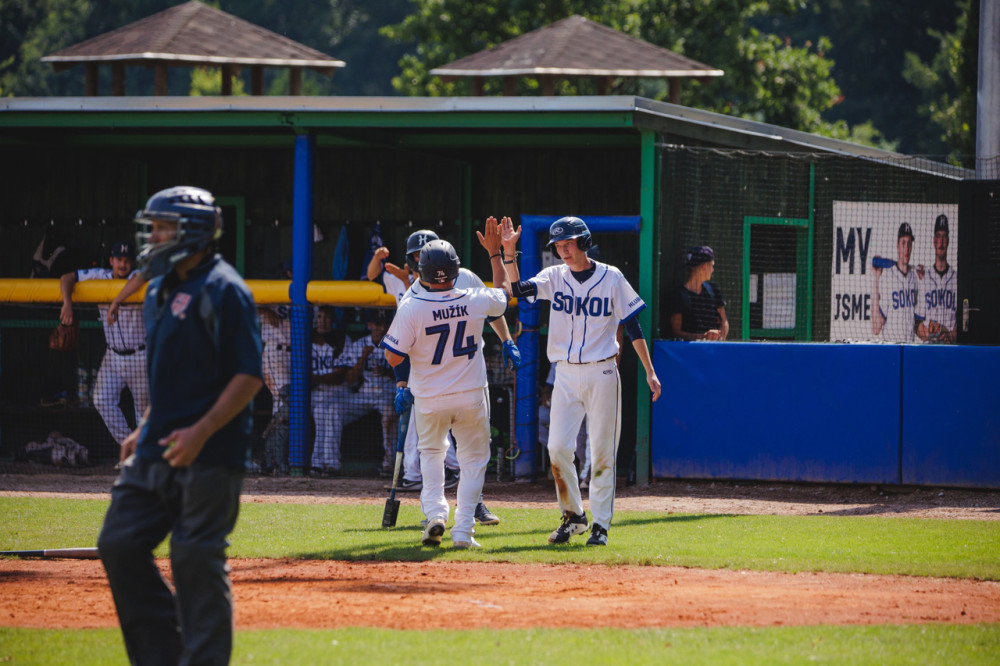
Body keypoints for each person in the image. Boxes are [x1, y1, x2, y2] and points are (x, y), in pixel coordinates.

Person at [96, 185, 263, 666]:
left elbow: (249, 375)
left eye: (164, 227)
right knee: (119, 542)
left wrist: (201, 432)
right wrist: (143, 425)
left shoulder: (225, 289)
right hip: (156, 447)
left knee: (195, 556)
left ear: (192, 230)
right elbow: (171, 373)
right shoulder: (160, 286)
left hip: (211, 454)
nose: (154, 236)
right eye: (154, 227)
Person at [498, 215, 661, 546]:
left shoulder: (611, 277)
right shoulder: (555, 275)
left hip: (602, 371)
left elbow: (633, 325)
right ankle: (574, 516)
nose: (563, 250)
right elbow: (516, 290)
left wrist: (650, 370)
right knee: (557, 448)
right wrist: (508, 253)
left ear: (584, 242)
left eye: (568, 243)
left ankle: (601, 523)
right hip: (565, 374)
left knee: (601, 452)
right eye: (558, 245)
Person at [371, 230, 520, 525]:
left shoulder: (414, 300)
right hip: (464, 385)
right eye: (415, 255)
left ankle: (441, 514)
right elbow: (501, 297)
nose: (418, 260)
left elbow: (394, 354)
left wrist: (506, 340)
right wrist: (497, 253)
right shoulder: (456, 294)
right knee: (471, 454)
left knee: (433, 454)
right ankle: (462, 523)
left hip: (437, 387)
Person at [59, 240, 149, 445]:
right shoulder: (100, 275)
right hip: (113, 357)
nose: (123, 264)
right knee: (101, 400)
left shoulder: (137, 276)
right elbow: (67, 278)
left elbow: (145, 275)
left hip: (139, 355)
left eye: (127, 260)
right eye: (119, 259)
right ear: (111, 261)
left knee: (143, 414)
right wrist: (67, 304)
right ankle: (130, 449)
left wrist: (116, 301)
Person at [335, 308, 399, 477]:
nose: (381, 328)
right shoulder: (360, 345)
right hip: (364, 395)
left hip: (387, 395)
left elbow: (408, 374)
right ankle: (329, 462)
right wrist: (362, 359)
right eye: (377, 324)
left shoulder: (396, 342)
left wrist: (387, 372)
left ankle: (389, 464)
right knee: (332, 409)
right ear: (370, 325)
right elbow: (349, 379)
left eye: (385, 324)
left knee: (389, 415)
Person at [309, 305, 349, 475]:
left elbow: (339, 375)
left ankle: (327, 463)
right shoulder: (305, 337)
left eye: (326, 318)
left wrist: (315, 379)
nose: (322, 321)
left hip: (337, 393)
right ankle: (319, 462)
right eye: (319, 317)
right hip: (314, 395)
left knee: (329, 411)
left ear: (333, 321)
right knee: (320, 411)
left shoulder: (342, 339)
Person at [667, 246, 729, 341]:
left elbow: (724, 322)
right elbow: (676, 332)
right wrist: (704, 337)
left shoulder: (713, 290)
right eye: (712, 266)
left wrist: (719, 341)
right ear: (704, 267)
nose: (713, 270)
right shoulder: (678, 295)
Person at [872, 222, 920, 342]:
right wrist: (876, 278)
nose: (907, 249)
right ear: (897, 246)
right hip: (891, 347)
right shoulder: (888, 278)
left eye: (909, 244)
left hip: (910, 347)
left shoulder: (914, 278)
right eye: (903, 243)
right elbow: (876, 328)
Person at [916, 214, 957, 343]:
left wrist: (950, 335)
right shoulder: (925, 279)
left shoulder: (957, 280)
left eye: (944, 236)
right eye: (938, 236)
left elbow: (964, 324)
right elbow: (917, 322)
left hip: (951, 349)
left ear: (948, 241)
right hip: (929, 349)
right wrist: (929, 335)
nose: (941, 241)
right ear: (934, 241)